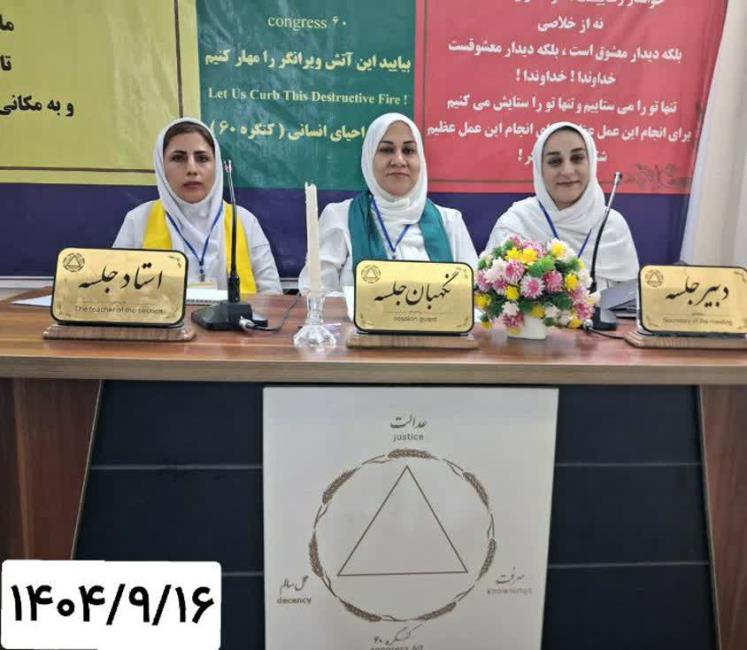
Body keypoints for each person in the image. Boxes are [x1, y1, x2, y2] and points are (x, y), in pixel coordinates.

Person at [298, 112, 478, 293]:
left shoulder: (449, 221)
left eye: (408, 151)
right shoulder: (340, 217)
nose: (399, 160)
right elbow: (315, 293)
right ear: (369, 157)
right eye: (386, 150)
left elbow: (473, 295)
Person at [113, 117, 282, 294]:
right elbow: (115, 292)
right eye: (178, 158)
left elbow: (271, 295)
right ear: (161, 166)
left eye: (202, 158)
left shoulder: (243, 221)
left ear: (216, 165)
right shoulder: (138, 220)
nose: (191, 169)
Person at [483, 121, 639, 288]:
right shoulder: (515, 225)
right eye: (555, 161)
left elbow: (631, 298)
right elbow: (490, 294)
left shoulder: (612, 226)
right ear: (539, 169)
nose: (567, 171)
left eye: (577, 158)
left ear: (592, 163)